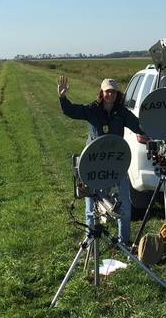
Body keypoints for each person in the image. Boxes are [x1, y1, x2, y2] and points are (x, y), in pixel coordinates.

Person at [58, 75, 144, 243]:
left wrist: (153, 126)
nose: (110, 95)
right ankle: (90, 239)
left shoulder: (122, 112)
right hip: (93, 163)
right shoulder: (92, 109)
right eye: (107, 91)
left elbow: (137, 126)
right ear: (101, 93)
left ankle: (124, 241)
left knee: (124, 205)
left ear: (118, 94)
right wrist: (62, 98)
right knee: (92, 205)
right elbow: (71, 111)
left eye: (114, 92)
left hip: (116, 163)